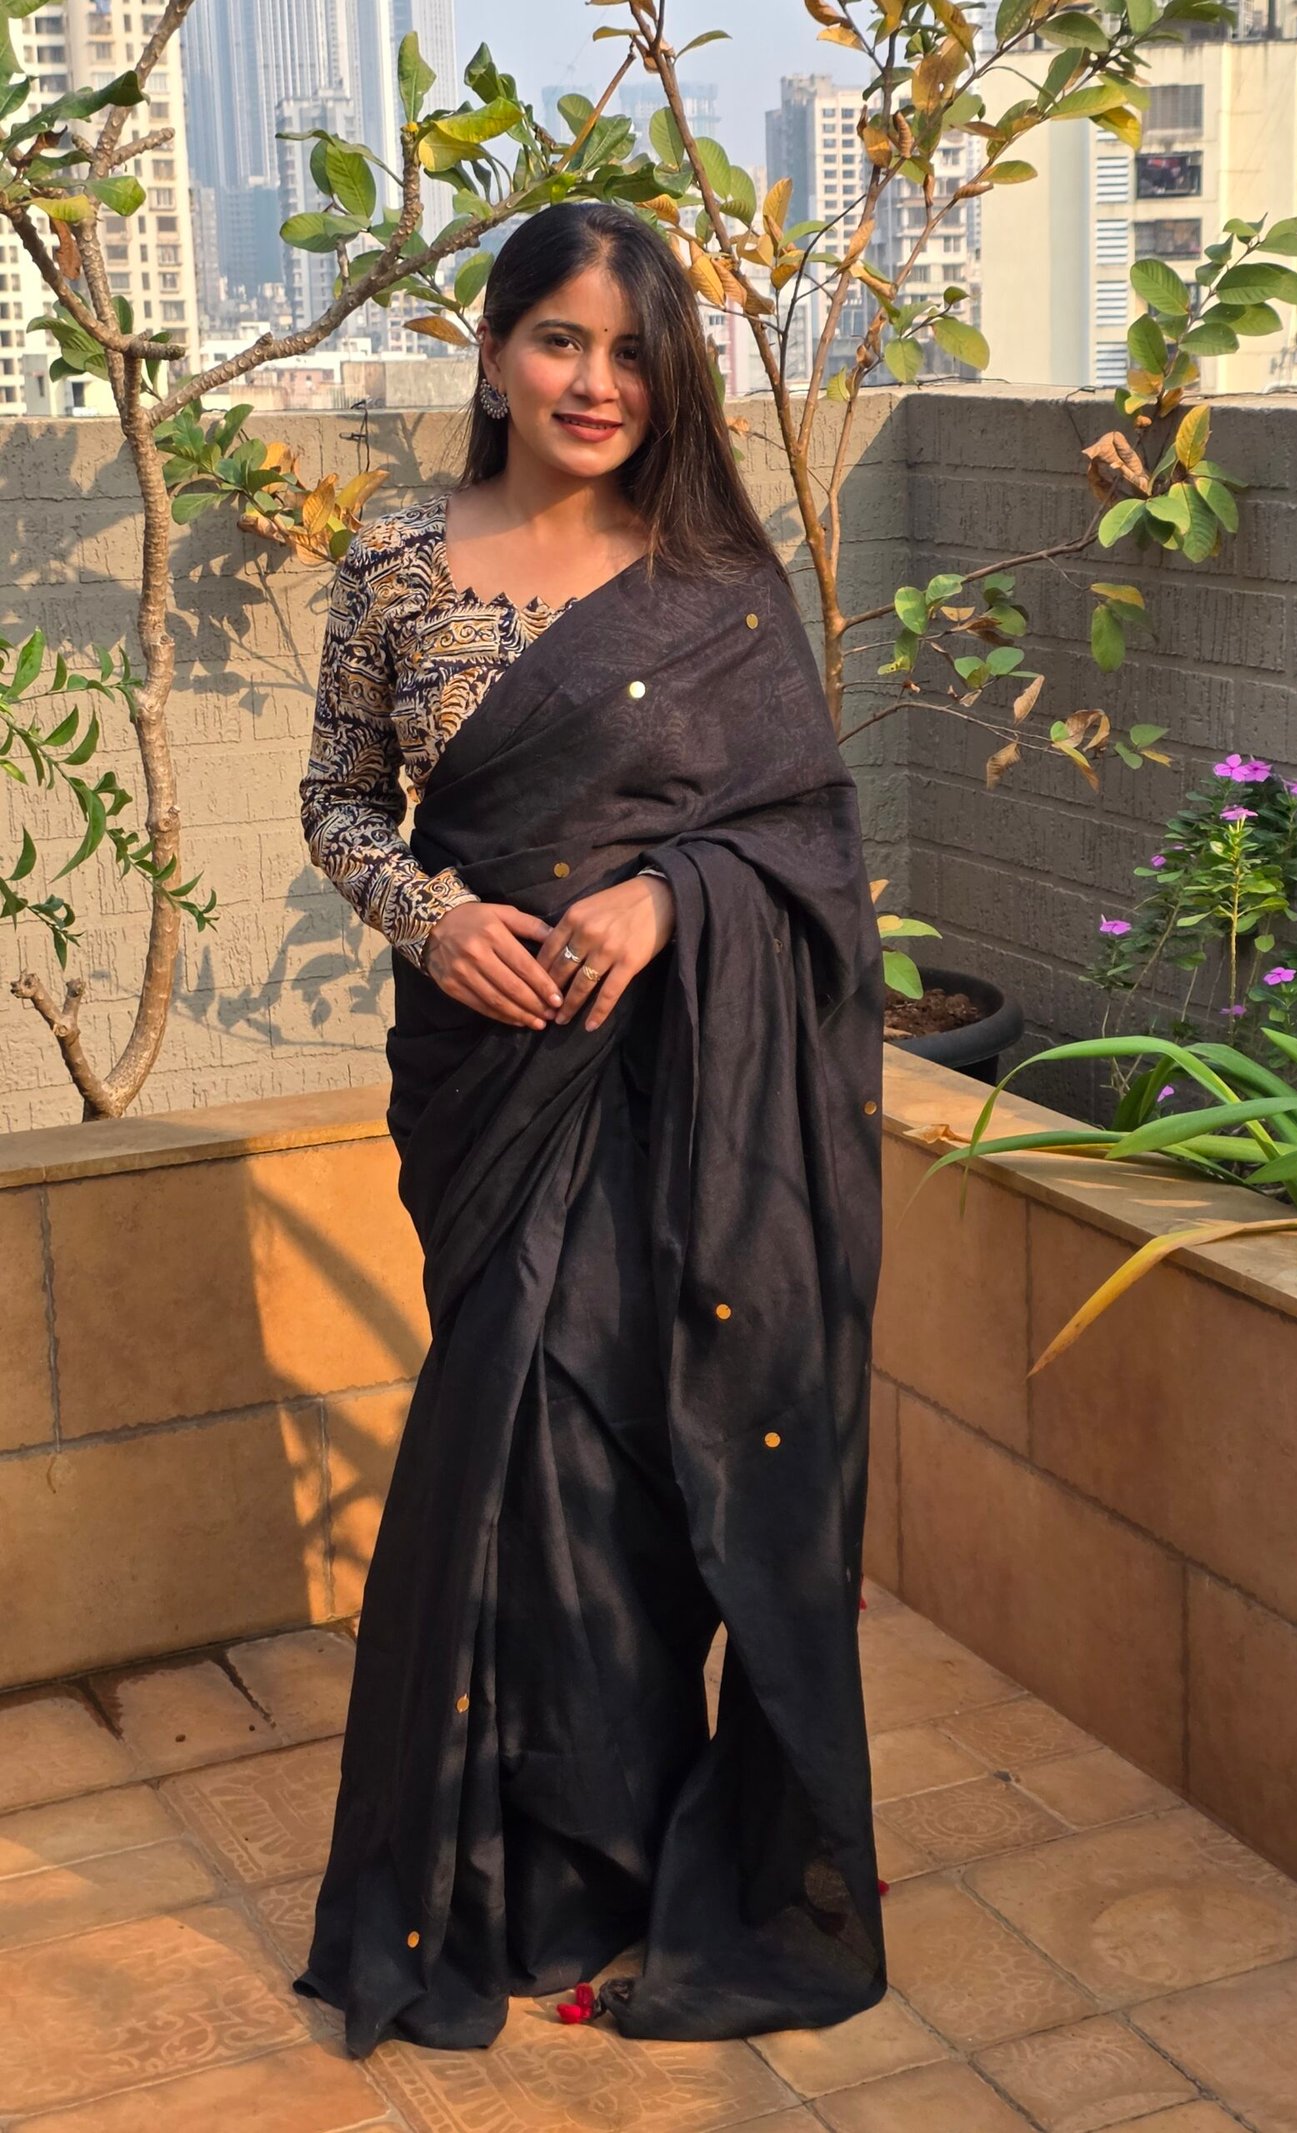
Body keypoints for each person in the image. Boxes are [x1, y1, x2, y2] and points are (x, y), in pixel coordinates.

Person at [292, 197, 888, 2059]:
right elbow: (338, 800)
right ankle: (526, 1880)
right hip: (489, 1088)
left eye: (632, 351)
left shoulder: (710, 579)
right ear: (493, 352)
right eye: (561, 338)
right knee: (518, 1462)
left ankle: (651, 1859)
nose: (597, 380)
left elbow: (804, 835)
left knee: (645, 1470)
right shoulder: (397, 559)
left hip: (678, 1098)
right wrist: (432, 917)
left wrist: (669, 898)